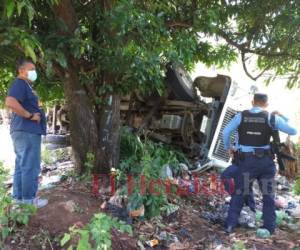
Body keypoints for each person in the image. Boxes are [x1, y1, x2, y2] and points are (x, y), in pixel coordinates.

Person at [222, 93, 297, 235]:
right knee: (268, 195)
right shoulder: (272, 118)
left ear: (252, 102)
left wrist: (228, 147)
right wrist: (283, 116)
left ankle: (230, 225)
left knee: (239, 192)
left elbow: (226, 132)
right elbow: (293, 131)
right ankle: (269, 227)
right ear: (266, 105)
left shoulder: (241, 116)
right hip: (265, 162)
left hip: (246, 162)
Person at [5, 58, 48, 208]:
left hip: (22, 131)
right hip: (27, 130)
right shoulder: (20, 83)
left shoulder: (26, 86)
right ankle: (29, 201)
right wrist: (30, 115)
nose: (34, 72)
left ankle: (19, 199)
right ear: (21, 71)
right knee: (30, 165)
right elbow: (10, 102)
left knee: (21, 165)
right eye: (31, 69)